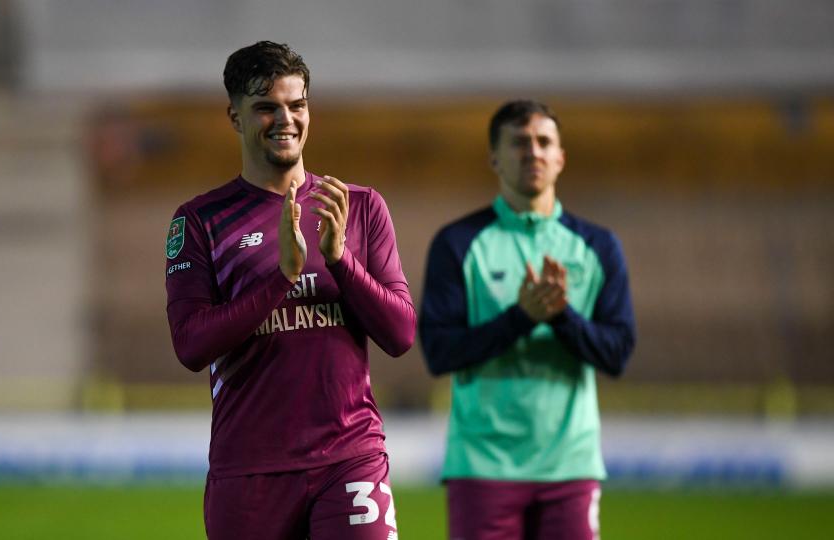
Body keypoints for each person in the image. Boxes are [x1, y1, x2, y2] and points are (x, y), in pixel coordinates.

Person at [164, 41, 414, 540]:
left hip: (350, 457)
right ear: (234, 116)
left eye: (296, 105)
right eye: (266, 108)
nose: (285, 119)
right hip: (249, 469)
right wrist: (280, 278)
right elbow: (191, 345)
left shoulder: (358, 207)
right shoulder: (199, 220)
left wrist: (341, 260)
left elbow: (401, 333)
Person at [419, 99, 636, 540]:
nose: (532, 152)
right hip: (482, 465)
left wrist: (560, 317)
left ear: (560, 157)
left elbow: (617, 354)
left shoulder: (597, 247)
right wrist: (521, 317)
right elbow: (439, 353)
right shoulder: (458, 243)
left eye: (543, 142)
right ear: (494, 158)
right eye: (519, 142)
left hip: (570, 466)